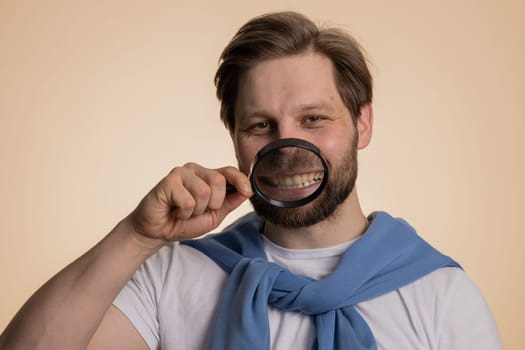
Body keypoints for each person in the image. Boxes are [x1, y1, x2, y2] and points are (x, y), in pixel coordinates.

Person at [0, 11, 501, 350]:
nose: (286, 147)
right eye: (261, 125)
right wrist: (135, 236)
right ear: (235, 138)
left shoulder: (442, 295)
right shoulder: (173, 274)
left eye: (313, 120)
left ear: (362, 123)